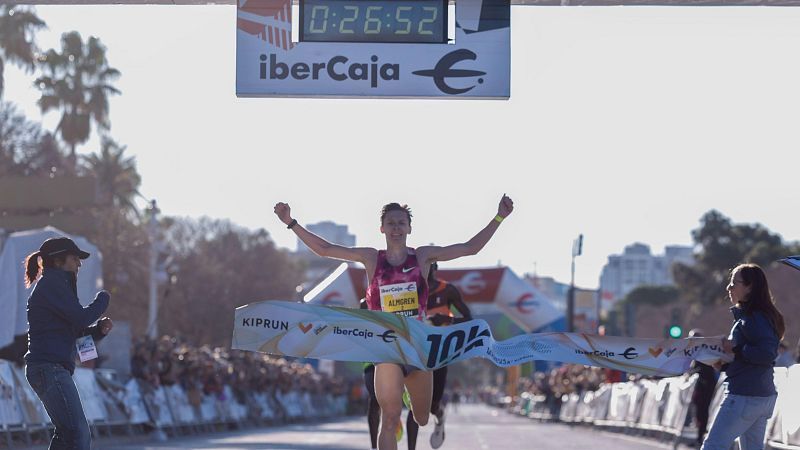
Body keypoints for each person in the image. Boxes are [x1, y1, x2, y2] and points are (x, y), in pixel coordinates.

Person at [275, 195, 513, 450]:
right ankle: (395, 405)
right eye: (391, 223)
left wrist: (499, 217)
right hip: (386, 346)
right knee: (389, 419)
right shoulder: (371, 259)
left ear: (409, 228)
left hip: (417, 347)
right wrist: (290, 222)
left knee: (421, 417)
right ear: (382, 228)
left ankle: (411, 398)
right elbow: (325, 249)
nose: (397, 228)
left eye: (401, 223)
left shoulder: (422, 257)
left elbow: (469, 248)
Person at [23, 236, 113, 450]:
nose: (79, 264)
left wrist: (99, 331)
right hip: (49, 368)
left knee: (67, 434)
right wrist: (103, 299)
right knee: (78, 433)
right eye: (75, 259)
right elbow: (81, 319)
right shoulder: (52, 285)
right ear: (57, 261)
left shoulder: (59, 286)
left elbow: (78, 332)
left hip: (49, 369)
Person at [702, 263, 785, 450]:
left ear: (750, 287)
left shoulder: (753, 317)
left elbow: (766, 354)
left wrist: (737, 350)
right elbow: (754, 356)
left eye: (734, 283)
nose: (728, 288)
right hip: (760, 395)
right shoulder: (758, 316)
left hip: (744, 396)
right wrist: (724, 364)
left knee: (713, 447)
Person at [406, 262, 472, 450]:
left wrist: (448, 319)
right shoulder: (409, 290)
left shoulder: (448, 290)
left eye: (428, 265)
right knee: (414, 403)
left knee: (432, 405)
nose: (424, 270)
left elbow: (469, 318)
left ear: (435, 267)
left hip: (440, 353)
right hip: (416, 352)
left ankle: (440, 416)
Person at [687, 328, 718, 448]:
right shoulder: (696, 350)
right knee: (698, 411)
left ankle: (701, 438)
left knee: (703, 411)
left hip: (706, 385)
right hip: (701, 384)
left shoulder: (704, 349)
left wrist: (692, 371)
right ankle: (698, 437)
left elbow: (706, 368)